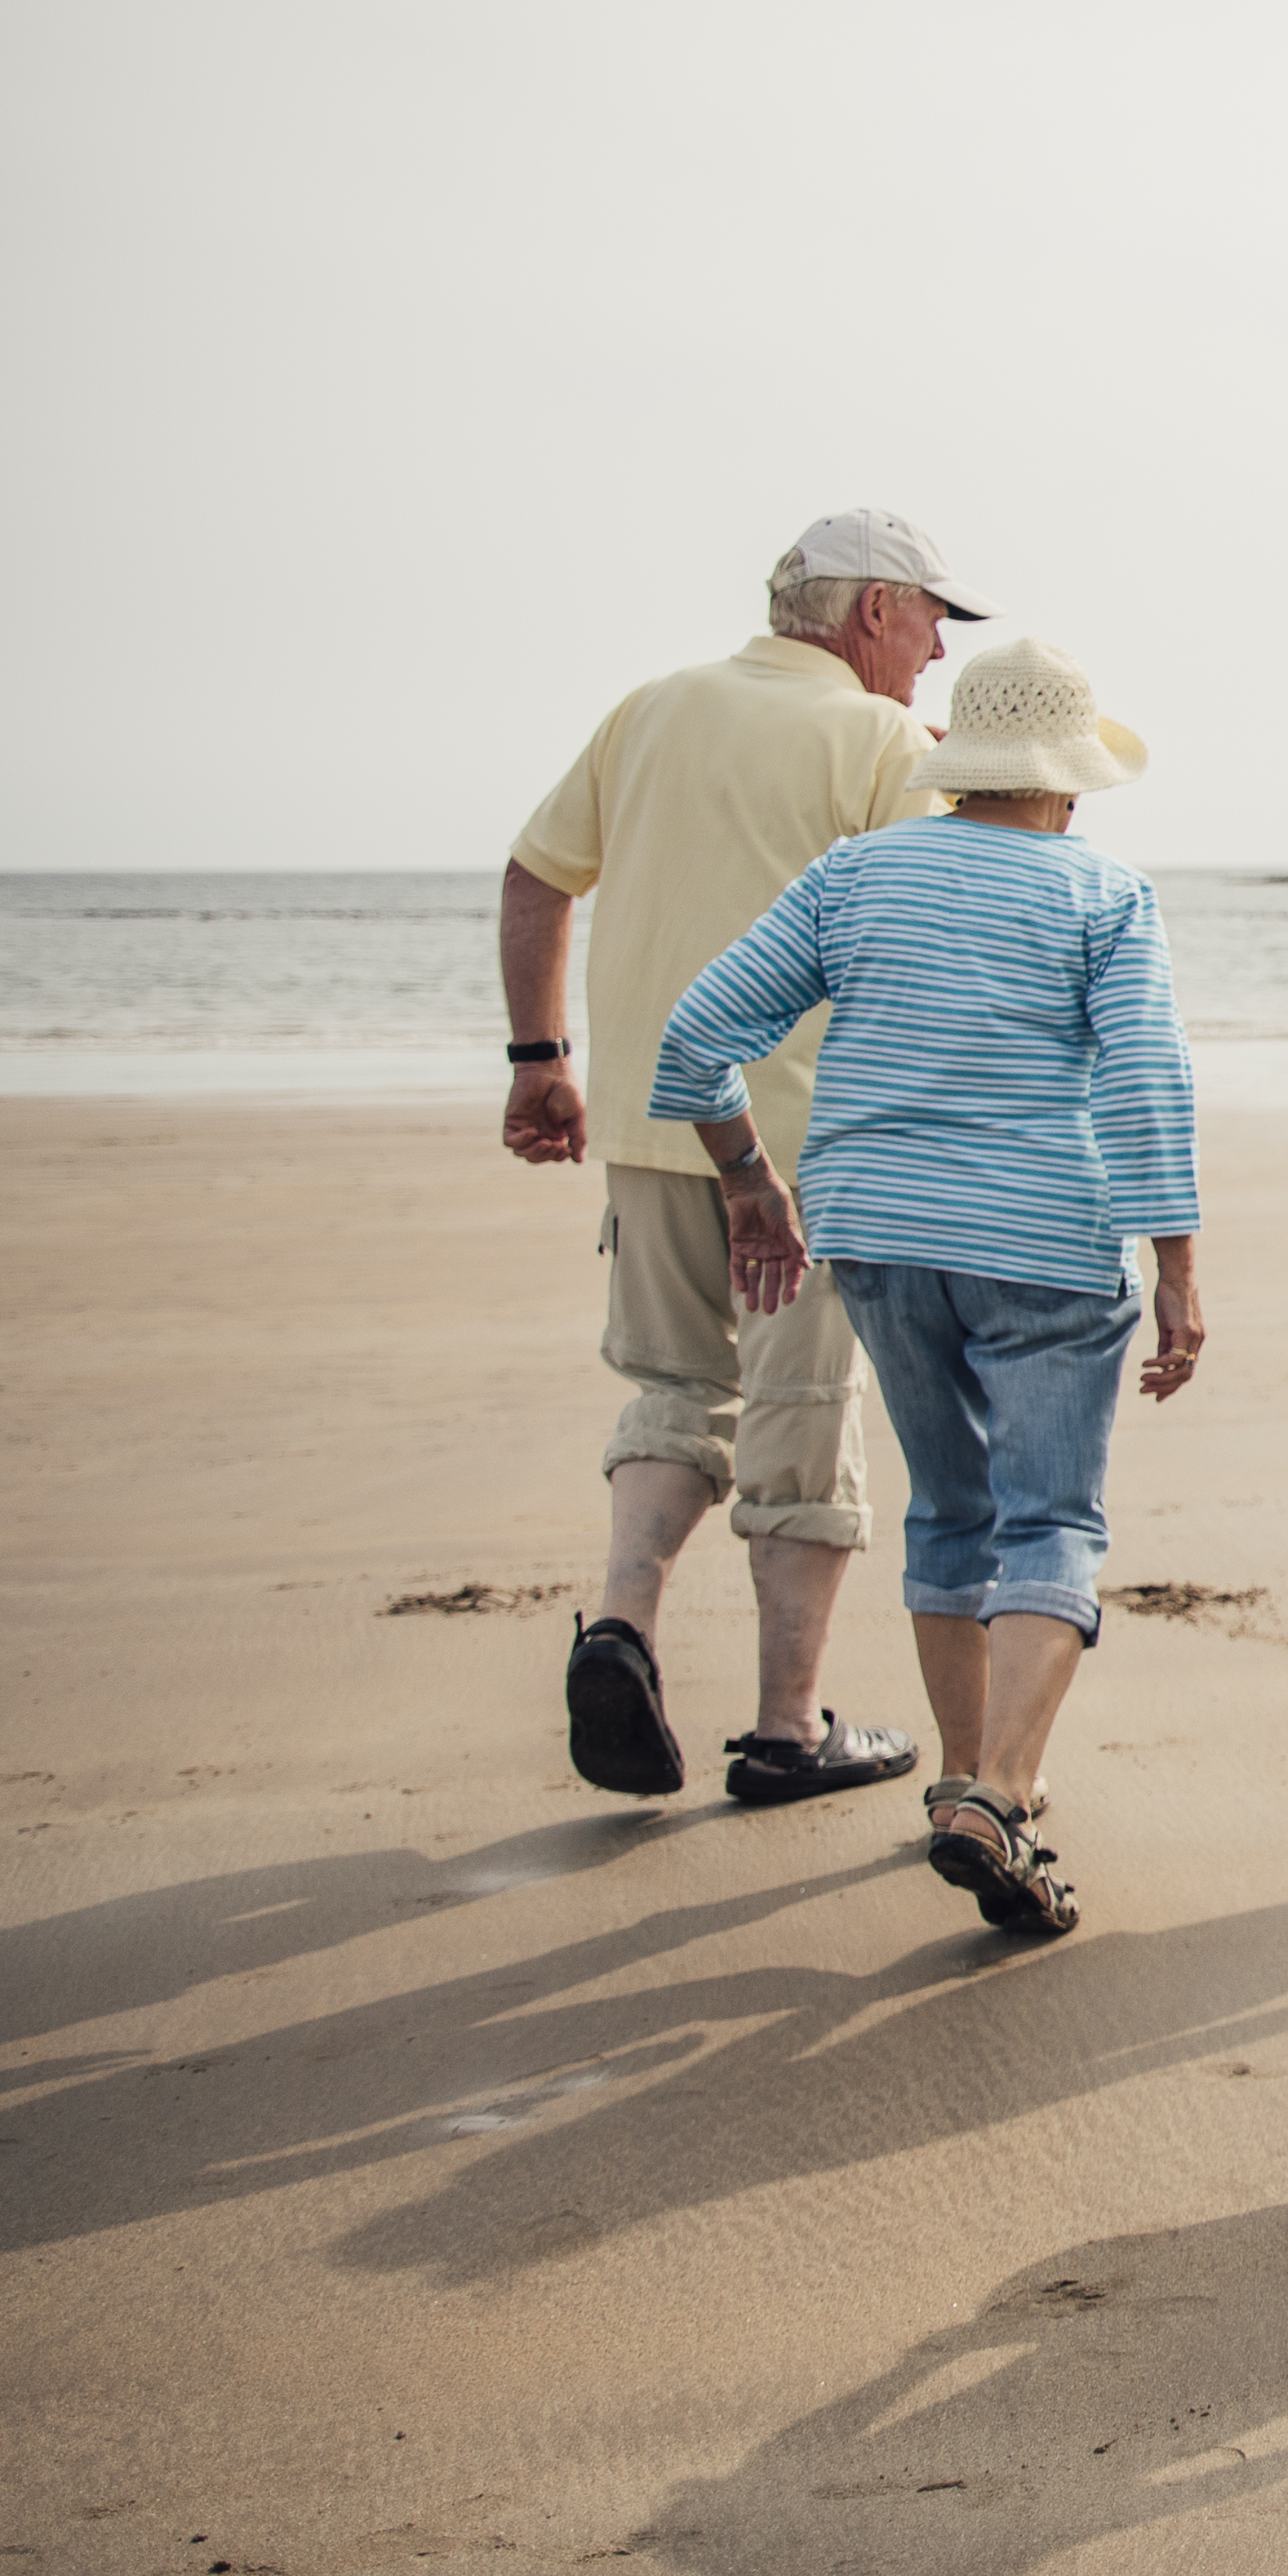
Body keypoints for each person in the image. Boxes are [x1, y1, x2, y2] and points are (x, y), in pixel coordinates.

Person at [649, 635, 1206, 1942]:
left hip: (876, 1233)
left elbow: (693, 1039)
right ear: (1066, 784)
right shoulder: (1103, 894)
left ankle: (966, 1782)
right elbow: (1140, 1084)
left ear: (960, 768)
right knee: (1051, 1516)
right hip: (1048, 1243)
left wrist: (746, 1177)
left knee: (951, 1507)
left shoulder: (856, 873)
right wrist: (1176, 1261)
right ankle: (1003, 1791)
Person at [500, 508, 972, 1807]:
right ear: (874, 610)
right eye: (932, 618)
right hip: (809, 1146)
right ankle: (784, 1728)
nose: (935, 651)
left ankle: (622, 1626)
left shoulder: (649, 709)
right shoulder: (884, 741)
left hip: (655, 1129)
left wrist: (538, 1058)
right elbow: (927, 940)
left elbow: (538, 876)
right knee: (801, 1417)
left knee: (668, 1385)